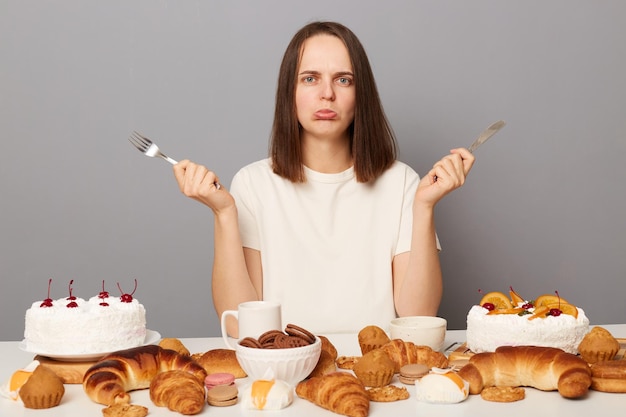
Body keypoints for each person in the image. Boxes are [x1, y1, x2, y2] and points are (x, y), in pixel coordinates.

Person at [173, 21, 475, 336]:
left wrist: (424, 207)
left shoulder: (401, 183)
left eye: (343, 80)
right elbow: (239, 325)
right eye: (310, 79)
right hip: (285, 369)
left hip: (376, 373)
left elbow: (418, 315)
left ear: (361, 96)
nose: (327, 94)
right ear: (290, 92)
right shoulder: (253, 183)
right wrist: (223, 213)